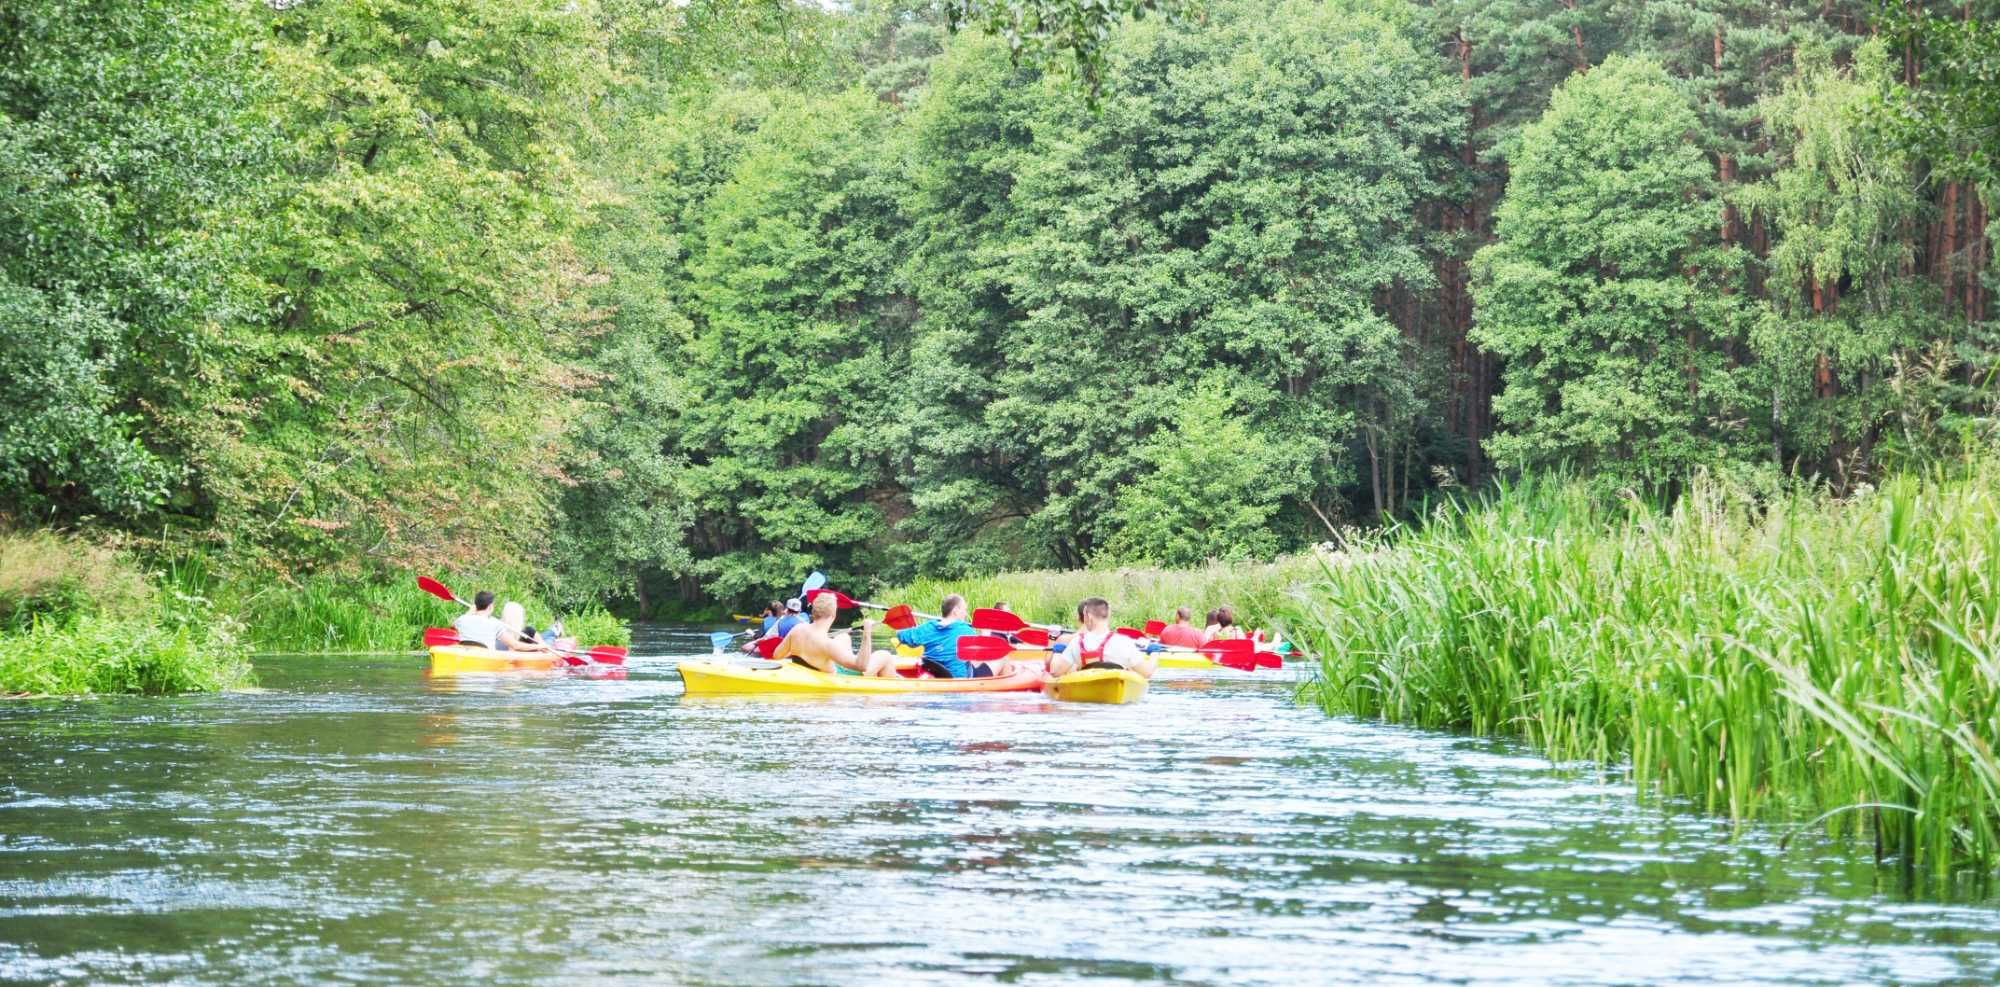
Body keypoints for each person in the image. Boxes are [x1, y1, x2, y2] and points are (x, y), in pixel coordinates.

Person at [775, 593, 898, 676]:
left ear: (814, 612)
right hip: (839, 676)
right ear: (833, 616)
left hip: (813, 665)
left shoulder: (797, 629)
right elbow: (862, 666)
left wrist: (801, 651)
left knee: (843, 637)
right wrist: (867, 633)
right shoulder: (827, 644)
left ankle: (846, 659)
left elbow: (777, 655)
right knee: (885, 656)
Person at [885, 594, 996, 678]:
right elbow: (981, 658)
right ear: (956, 611)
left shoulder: (927, 628)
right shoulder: (966, 630)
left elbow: (900, 635)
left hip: (933, 674)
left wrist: (913, 626)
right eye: (964, 610)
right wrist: (985, 633)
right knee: (1003, 660)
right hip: (958, 680)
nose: (965, 614)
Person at [1051, 597, 1156, 678]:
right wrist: (1155, 652)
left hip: (1087, 692)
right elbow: (1147, 673)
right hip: (1117, 692)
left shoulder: (1076, 642)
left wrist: (1057, 652)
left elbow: (1055, 672)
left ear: (1089, 616)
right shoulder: (1124, 642)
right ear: (1108, 615)